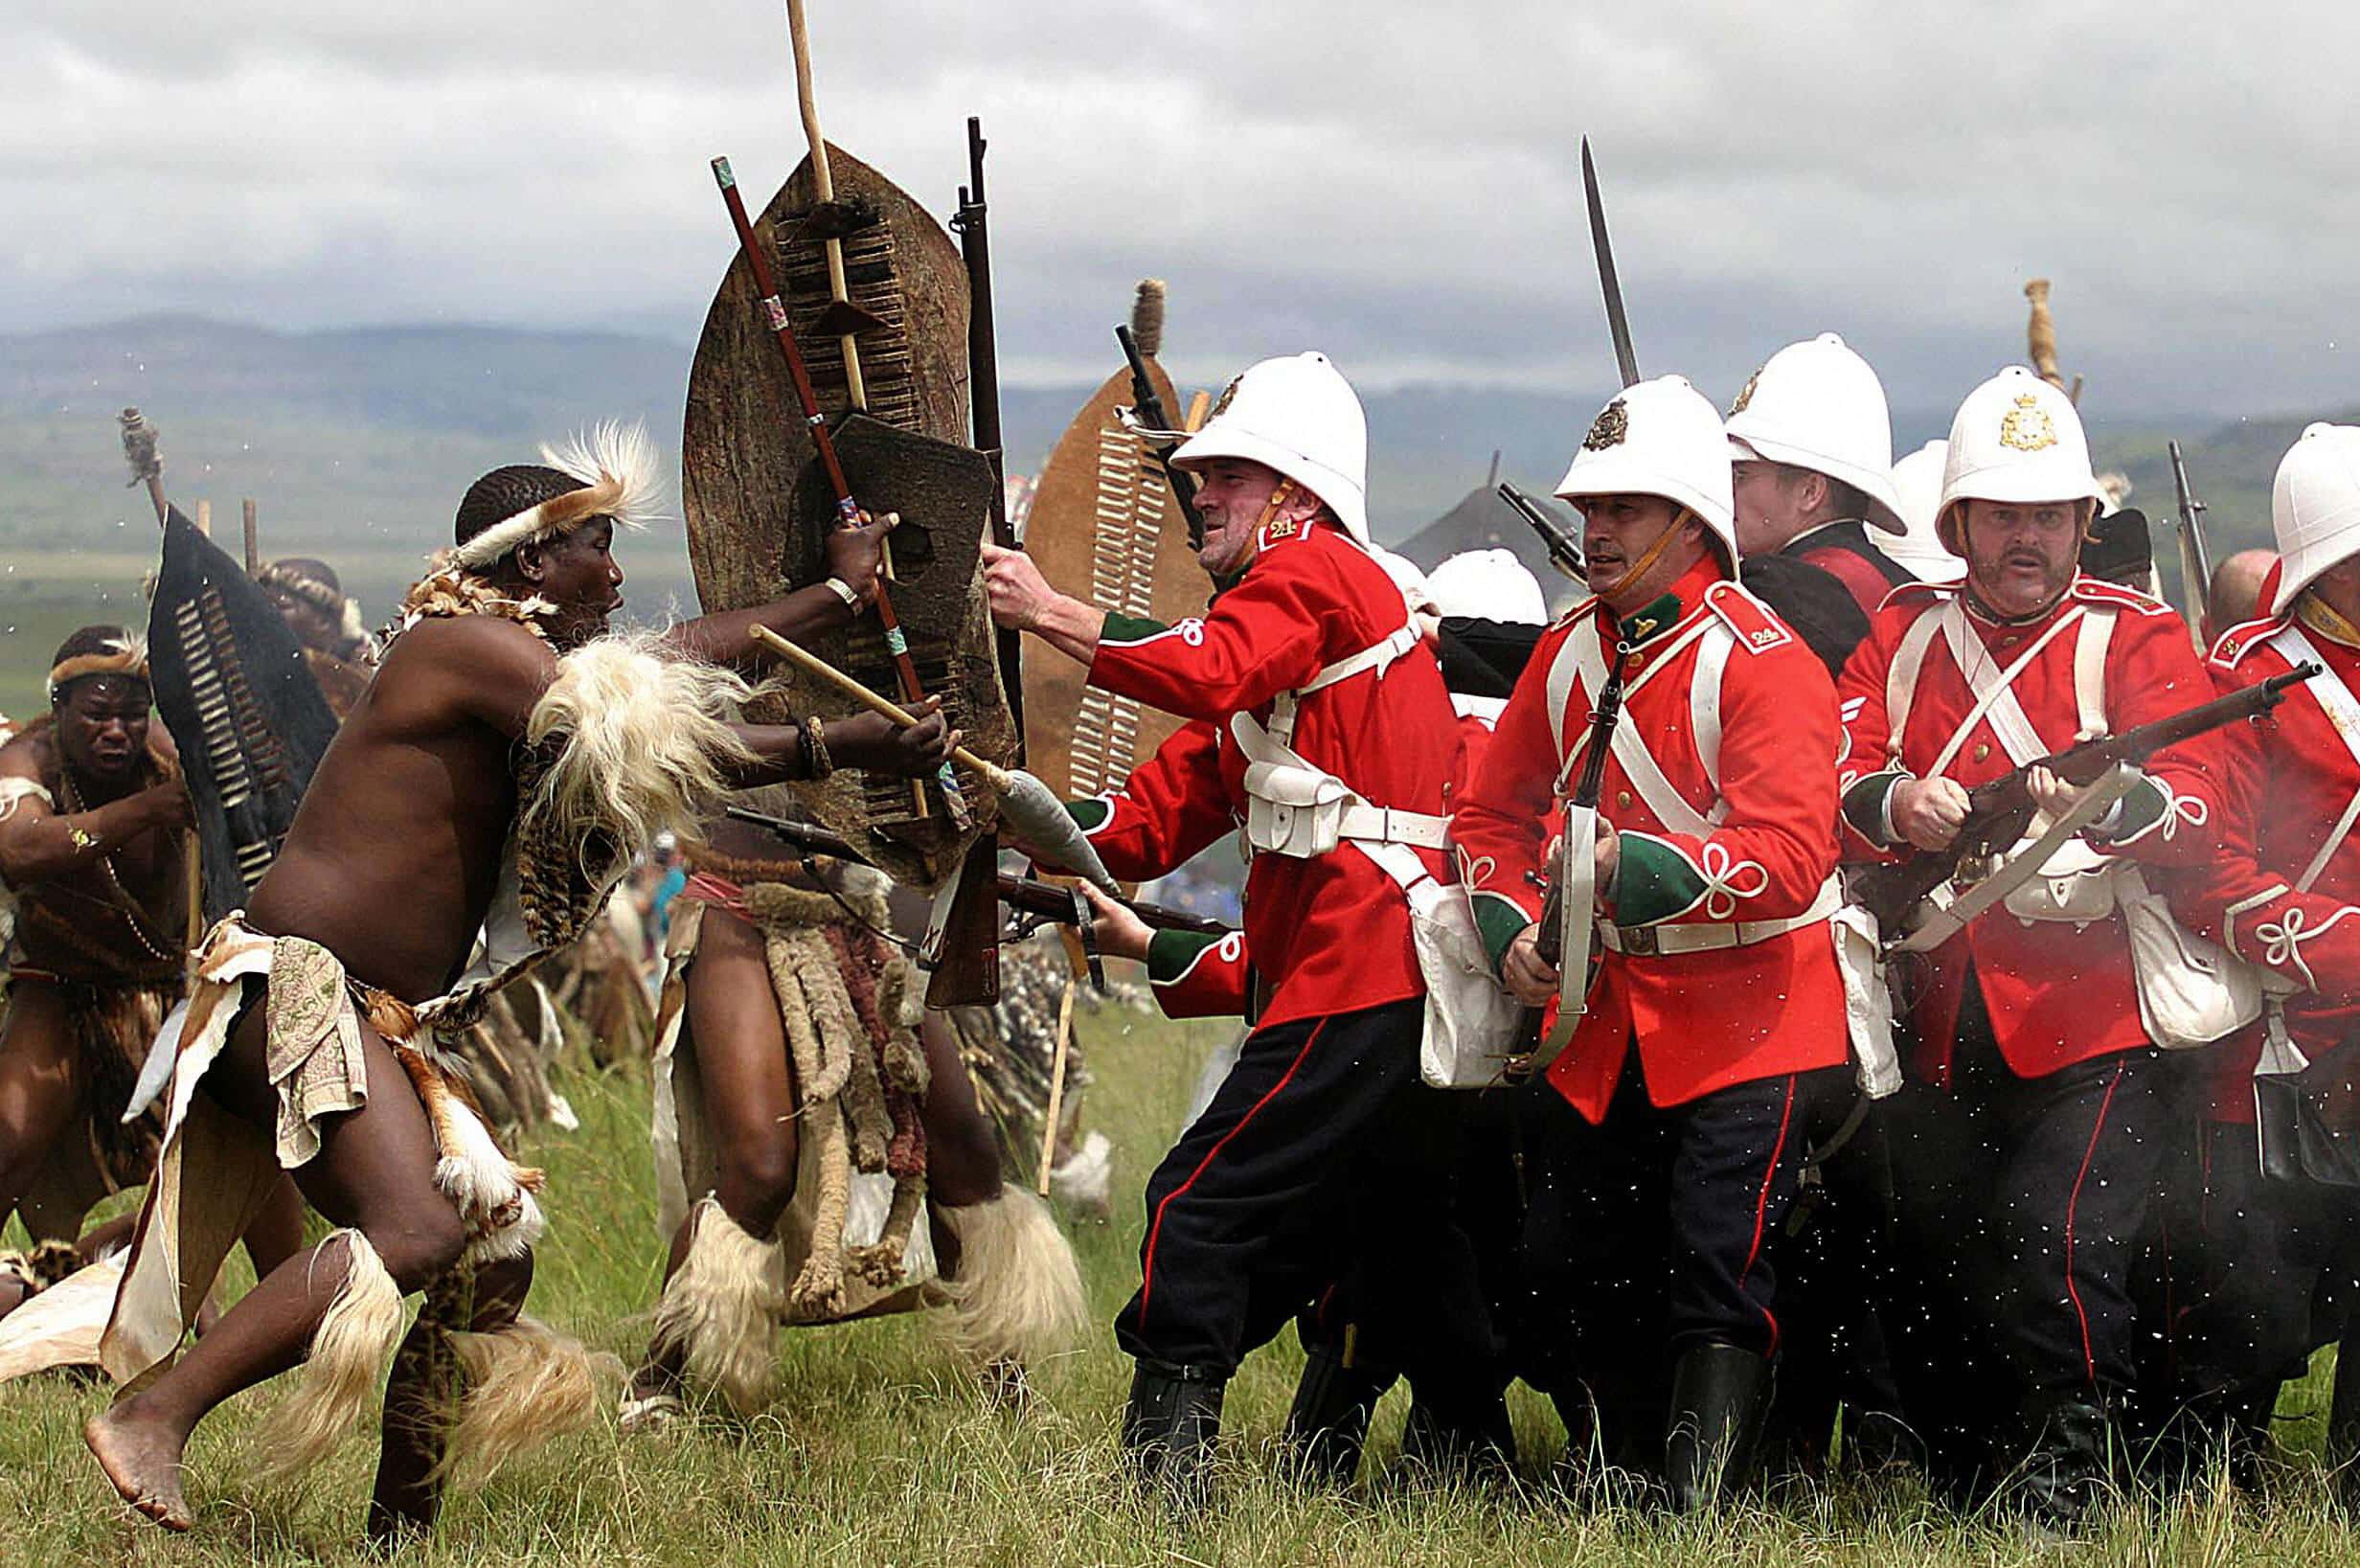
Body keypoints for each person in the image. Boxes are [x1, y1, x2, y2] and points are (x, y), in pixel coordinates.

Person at [82, 422, 955, 1542]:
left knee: (489, 1256)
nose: (614, 570)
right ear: (532, 559)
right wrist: (845, 743)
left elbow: (669, 658)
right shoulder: (463, 646)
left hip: (368, 1013)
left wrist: (832, 598)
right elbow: (651, 719)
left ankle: (400, 1528)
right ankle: (156, 1413)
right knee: (413, 1233)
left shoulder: (505, 658)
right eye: (596, 544)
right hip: (298, 990)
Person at [981, 352, 1492, 1503]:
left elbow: (1208, 669)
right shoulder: (1295, 640)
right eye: (1199, 472)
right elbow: (1161, 812)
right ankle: (1471, 1450)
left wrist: (1045, 608)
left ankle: (1167, 1476)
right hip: (1362, 971)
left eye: (1229, 473)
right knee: (1384, 1224)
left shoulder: (1319, 575)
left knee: (1200, 1200)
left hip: (1363, 964)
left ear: (1298, 495)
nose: (1199, 491)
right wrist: (1011, 820)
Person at [1452, 375, 1858, 1508]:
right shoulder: (1568, 652)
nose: (1594, 529)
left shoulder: (1766, 657)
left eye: (1625, 508)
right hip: (1606, 1012)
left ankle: (1701, 1501)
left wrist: (1635, 866)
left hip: (1754, 1014)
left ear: (1690, 522)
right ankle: (1619, 1462)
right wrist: (1498, 925)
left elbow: (1788, 856)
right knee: (1566, 1252)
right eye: (1590, 507)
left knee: (1719, 1259)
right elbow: (1489, 818)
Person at [1833, 367, 2222, 1525]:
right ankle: (1971, 1470)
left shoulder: (2138, 636)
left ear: (2079, 526)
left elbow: (2203, 805)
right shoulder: (1905, 631)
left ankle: (2076, 1474)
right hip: (1940, 1000)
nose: (2025, 538)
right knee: (1942, 1246)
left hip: (2092, 1007)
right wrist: (1896, 801)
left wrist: (2113, 805)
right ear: (1957, 525)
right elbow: (1837, 763)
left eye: (2046, 516)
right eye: (2001, 515)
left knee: (2057, 1234)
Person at [620, 815, 1086, 1426]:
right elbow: (703, 745)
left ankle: (1009, 1397)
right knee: (759, 1172)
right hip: (737, 908)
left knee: (967, 1156)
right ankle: (657, 1383)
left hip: (855, 908)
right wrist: (828, 741)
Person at [0, 628, 304, 1334]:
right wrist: (143, 812)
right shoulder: (27, 760)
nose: (115, 731)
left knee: (242, 1144)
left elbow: (267, 819)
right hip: (59, 988)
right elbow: (17, 849)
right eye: (95, 714)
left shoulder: (174, 756)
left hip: (166, 997)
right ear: (59, 705)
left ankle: (292, 1316)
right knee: (11, 1135)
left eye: (131, 714)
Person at [2165, 424, 2360, 1489]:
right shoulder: (2246, 681)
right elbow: (2208, 876)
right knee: (2254, 1301)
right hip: (2278, 1051)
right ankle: (2201, 1485)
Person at [1727, 333, 1913, 617]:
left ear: (1810, 492)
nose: (1726, 490)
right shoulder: (1910, 593)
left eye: (1741, 476)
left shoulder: (1771, 595)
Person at [255, 557, 378, 718]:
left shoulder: (351, 690)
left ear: (323, 621)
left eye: (281, 606)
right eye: (262, 605)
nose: (265, 614)